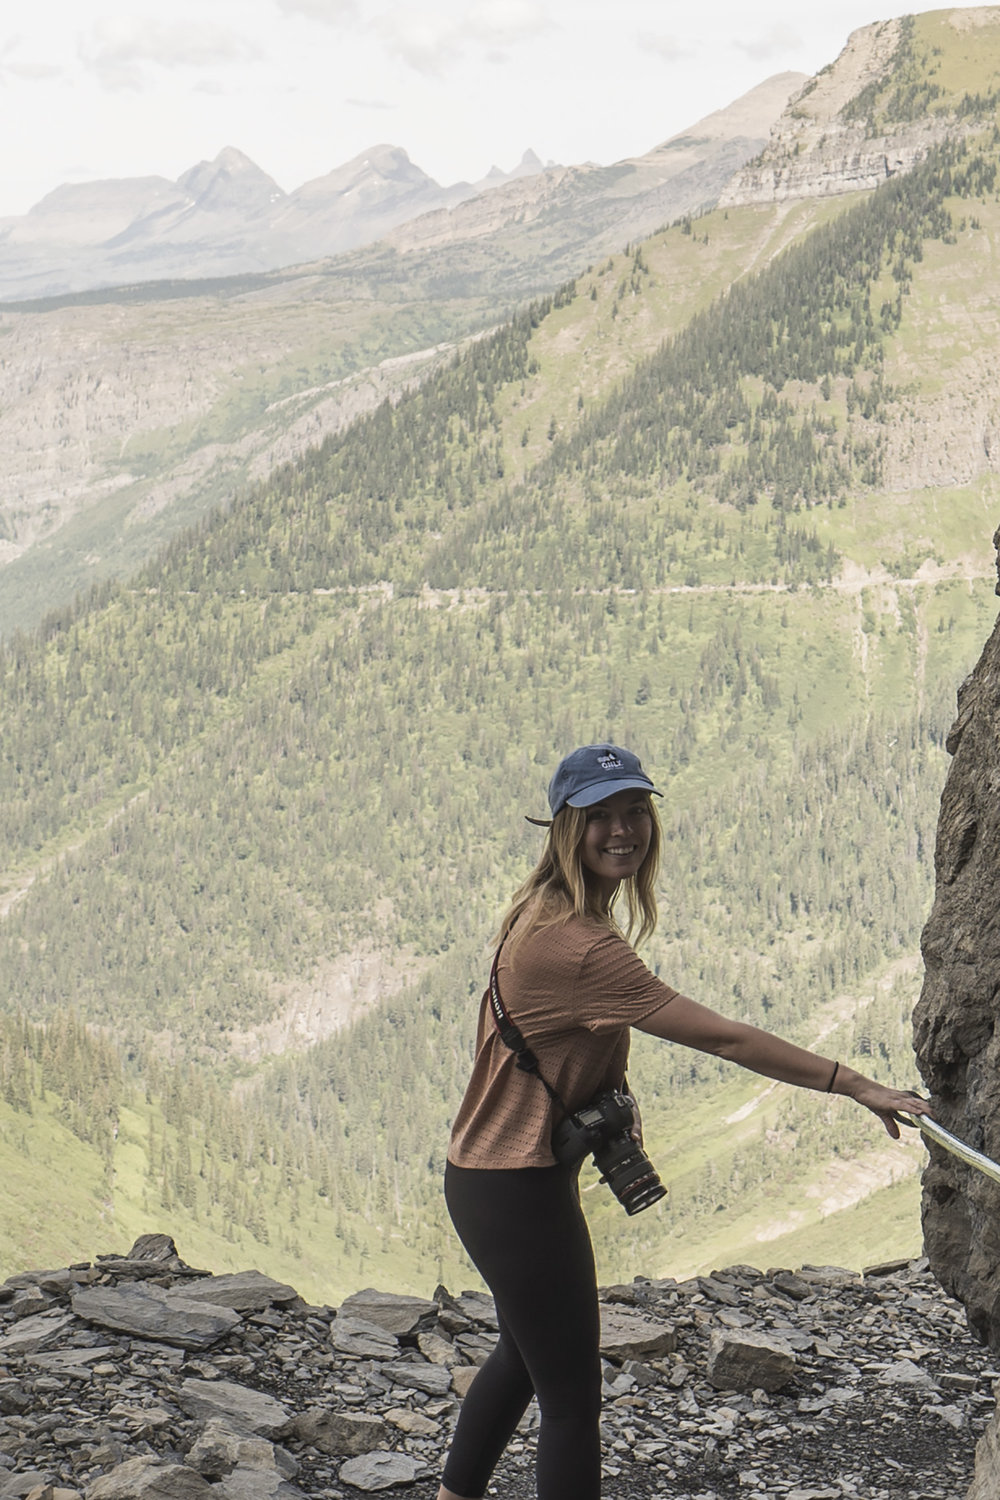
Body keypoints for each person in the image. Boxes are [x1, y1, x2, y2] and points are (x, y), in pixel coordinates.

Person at [437, 743, 933, 1500]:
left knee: (522, 1354)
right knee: (572, 1402)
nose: (622, 830)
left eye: (635, 810)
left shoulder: (540, 909)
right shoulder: (581, 949)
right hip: (516, 1187)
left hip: (490, 1177)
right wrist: (854, 1083)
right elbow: (726, 1039)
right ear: (567, 827)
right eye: (599, 815)